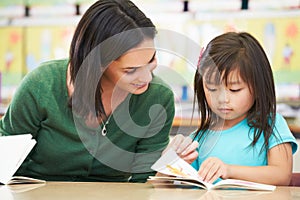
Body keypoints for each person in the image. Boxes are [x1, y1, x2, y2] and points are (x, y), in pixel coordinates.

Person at [0, 0, 196, 183]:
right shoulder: (42, 85)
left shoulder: (158, 98)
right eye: (131, 70)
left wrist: (165, 169)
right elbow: (5, 158)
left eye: (151, 60)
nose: (147, 78)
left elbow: (143, 183)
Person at [192, 32, 298, 185]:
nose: (223, 99)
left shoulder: (271, 125)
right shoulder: (200, 137)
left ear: (257, 86)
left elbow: (281, 175)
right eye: (212, 89)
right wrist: (170, 161)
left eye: (234, 90)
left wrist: (229, 171)